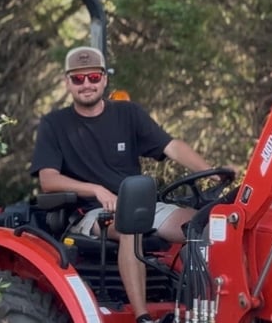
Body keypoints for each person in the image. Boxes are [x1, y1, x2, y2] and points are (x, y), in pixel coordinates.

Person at [29, 46, 221, 323]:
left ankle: (203, 307)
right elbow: (48, 180)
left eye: (93, 77)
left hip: (140, 207)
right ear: (67, 82)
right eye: (78, 79)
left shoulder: (128, 114)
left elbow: (172, 147)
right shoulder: (55, 124)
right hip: (91, 214)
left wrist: (209, 171)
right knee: (132, 228)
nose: (87, 85)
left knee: (205, 226)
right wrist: (96, 190)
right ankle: (143, 316)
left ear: (104, 79)